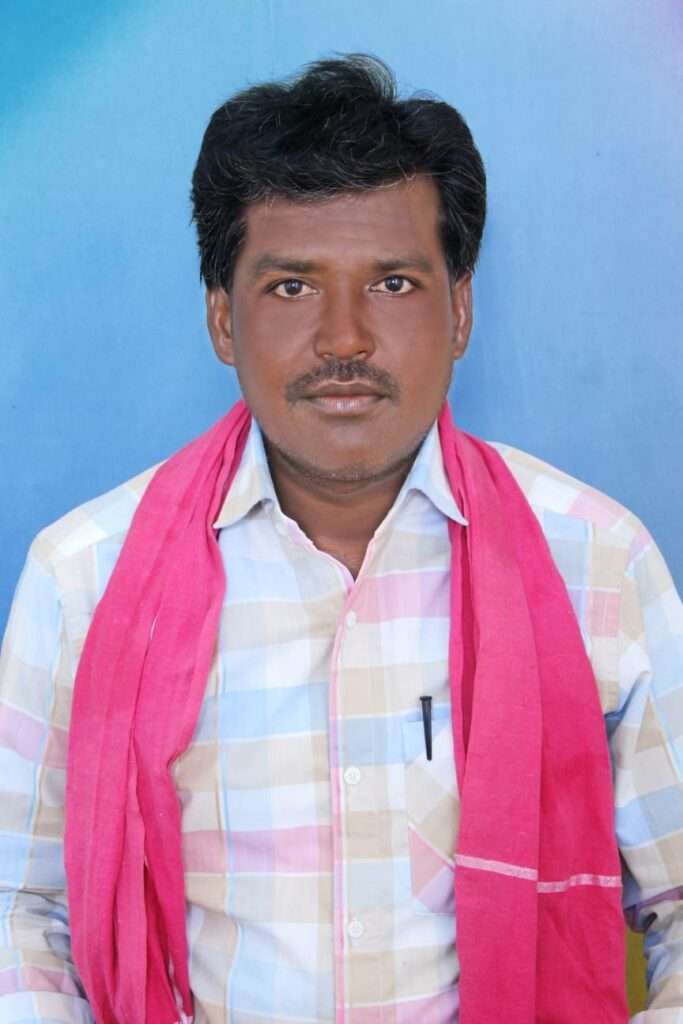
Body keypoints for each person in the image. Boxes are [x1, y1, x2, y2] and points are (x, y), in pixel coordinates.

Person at [0, 54, 681, 1024]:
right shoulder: (83, 580)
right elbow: (19, 908)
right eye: (291, 288)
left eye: (393, 282)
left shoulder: (596, 563)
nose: (344, 339)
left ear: (459, 311)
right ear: (221, 320)